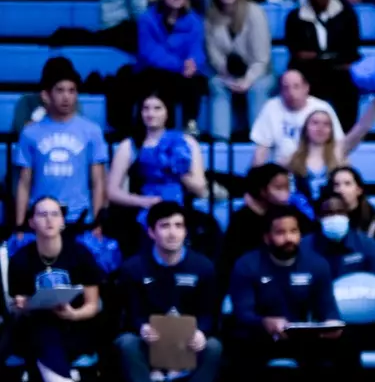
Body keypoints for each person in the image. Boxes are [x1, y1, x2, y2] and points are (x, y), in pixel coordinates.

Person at [224, 206, 363, 382]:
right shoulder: (247, 265)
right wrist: (264, 322)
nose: (288, 238)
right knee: (237, 343)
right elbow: (242, 313)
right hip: (261, 336)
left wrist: (331, 326)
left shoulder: (316, 264)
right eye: (281, 232)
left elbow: (328, 309)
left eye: (294, 231)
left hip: (301, 337)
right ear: (267, 237)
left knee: (347, 341)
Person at [113, 200, 221, 382]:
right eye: (164, 226)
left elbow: (209, 312)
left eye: (178, 226)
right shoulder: (133, 268)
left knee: (214, 347)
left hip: (188, 342)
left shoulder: (203, 267)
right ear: (151, 232)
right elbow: (129, 312)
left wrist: (201, 333)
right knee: (126, 343)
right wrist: (141, 327)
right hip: (148, 342)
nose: (172, 232)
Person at [6, 197, 104, 382]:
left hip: (75, 328)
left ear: (62, 221)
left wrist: (72, 314)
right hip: (33, 329)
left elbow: (93, 305)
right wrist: (22, 306)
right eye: (42, 214)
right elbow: (15, 312)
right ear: (31, 222)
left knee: (40, 352)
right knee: (40, 329)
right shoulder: (20, 261)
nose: (49, 219)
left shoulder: (80, 255)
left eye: (54, 214)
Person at [14, 58, 107, 235]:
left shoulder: (92, 130)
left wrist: (97, 223)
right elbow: (24, 183)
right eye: (60, 90)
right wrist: (20, 226)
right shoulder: (30, 133)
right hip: (41, 218)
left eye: (72, 91)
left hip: (81, 219)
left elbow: (98, 181)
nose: (66, 97)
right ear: (46, 95)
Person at [106, 94, 208, 248]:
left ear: (167, 112)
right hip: (142, 218)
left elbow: (200, 189)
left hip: (180, 213)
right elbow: (112, 192)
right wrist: (143, 201)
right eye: (146, 108)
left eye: (157, 108)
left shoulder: (187, 142)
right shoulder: (129, 145)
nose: (150, 113)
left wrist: (176, 168)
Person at [283, 0, 363, 130]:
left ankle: (345, 136)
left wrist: (322, 57)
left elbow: (351, 50)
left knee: (348, 84)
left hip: (338, 69)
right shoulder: (295, 17)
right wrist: (322, 57)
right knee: (300, 83)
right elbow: (296, 52)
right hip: (310, 71)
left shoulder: (346, 14)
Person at [204, 0, 273, 139]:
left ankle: (259, 141)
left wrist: (248, 79)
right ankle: (220, 142)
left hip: (259, 73)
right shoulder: (210, 17)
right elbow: (214, 56)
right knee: (216, 85)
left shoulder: (255, 12)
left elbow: (261, 58)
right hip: (227, 73)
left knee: (257, 88)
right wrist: (228, 77)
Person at [135, 0, 209, 126]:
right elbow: (150, 52)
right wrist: (180, 65)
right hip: (154, 71)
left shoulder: (194, 21)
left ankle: (190, 127)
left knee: (193, 81)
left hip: (183, 73)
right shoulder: (147, 19)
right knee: (161, 80)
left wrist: (193, 62)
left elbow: (197, 48)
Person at [283, 100, 375, 205]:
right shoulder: (290, 159)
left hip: (335, 213)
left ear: (331, 130)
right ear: (305, 128)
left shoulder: (339, 150)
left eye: (326, 124)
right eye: (315, 123)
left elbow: (363, 127)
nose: (320, 128)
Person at [222, 162, 312, 271]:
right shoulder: (242, 219)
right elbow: (230, 258)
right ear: (263, 191)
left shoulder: (294, 213)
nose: (285, 193)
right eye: (279, 188)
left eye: (287, 187)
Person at [250, 69, 344, 168]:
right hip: (282, 171)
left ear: (306, 88)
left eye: (296, 86)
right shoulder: (271, 107)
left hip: (318, 168)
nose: (291, 92)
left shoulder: (322, 108)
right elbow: (261, 150)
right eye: (285, 88)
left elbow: (339, 145)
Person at [300, 195, 375, 280]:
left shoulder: (368, 246)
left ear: (347, 215)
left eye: (340, 212)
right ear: (318, 217)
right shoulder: (305, 247)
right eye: (328, 213)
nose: (335, 217)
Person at [324, 165, 375, 265]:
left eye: (347, 184)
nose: (341, 190)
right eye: (336, 185)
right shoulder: (326, 220)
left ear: (359, 190)